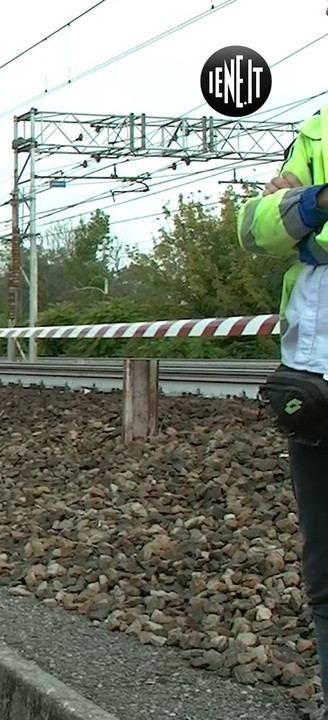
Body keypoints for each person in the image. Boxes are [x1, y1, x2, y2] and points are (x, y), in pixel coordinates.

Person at [239, 105, 328, 717]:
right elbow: (253, 226)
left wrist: (302, 210)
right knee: (325, 570)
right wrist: (315, 203)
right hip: (313, 379)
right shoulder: (319, 129)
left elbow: (287, 221)